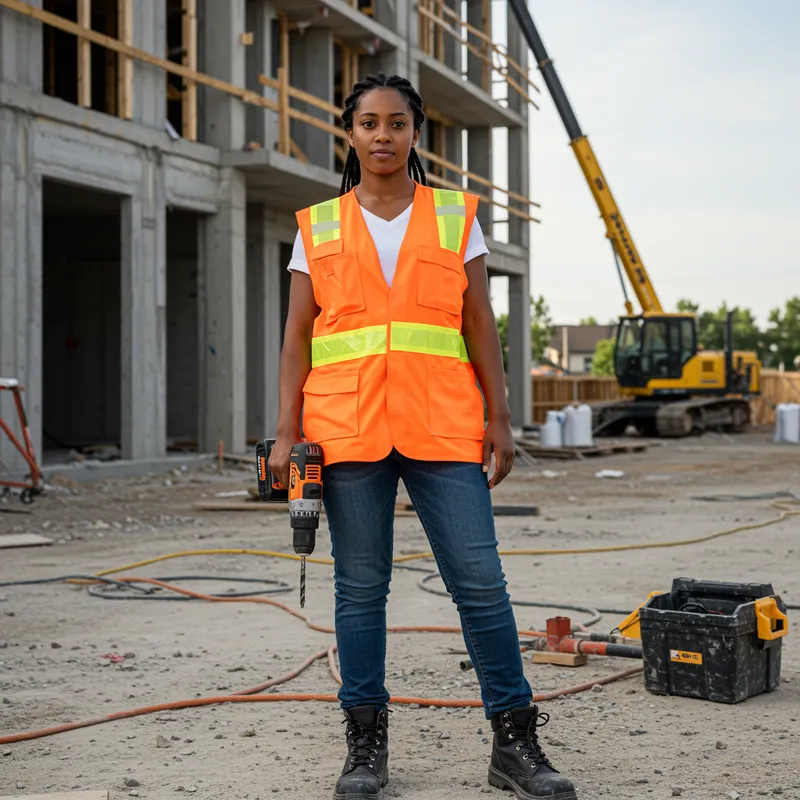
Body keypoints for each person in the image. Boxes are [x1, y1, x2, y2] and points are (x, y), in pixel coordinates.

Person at [269, 73, 576, 800]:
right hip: (346, 431)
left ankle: (515, 744)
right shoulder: (317, 225)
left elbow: (479, 326)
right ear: (349, 133)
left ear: (416, 132)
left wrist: (501, 418)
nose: (383, 136)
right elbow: (296, 339)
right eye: (369, 123)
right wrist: (286, 431)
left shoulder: (453, 217)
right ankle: (365, 747)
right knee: (360, 590)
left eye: (397, 123)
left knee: (481, 586)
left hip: (442, 425)